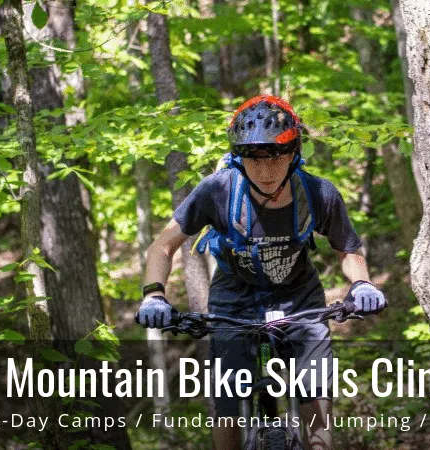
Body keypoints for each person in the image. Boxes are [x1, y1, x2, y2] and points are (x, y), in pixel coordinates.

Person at [136, 95, 387, 450]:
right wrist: (154, 295)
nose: (265, 171)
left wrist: (362, 284)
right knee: (227, 404)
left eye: (276, 157)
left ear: (294, 152)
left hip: (299, 299)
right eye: (254, 159)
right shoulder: (218, 190)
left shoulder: (318, 193)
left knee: (317, 404)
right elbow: (162, 245)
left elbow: (347, 248)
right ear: (239, 157)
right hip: (234, 299)